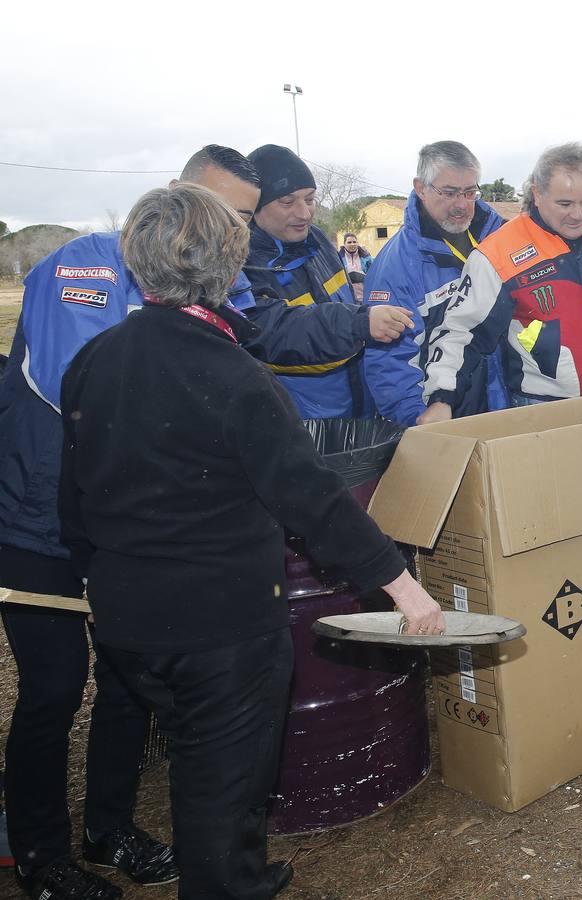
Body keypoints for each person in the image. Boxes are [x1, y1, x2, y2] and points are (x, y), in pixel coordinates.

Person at [58, 183, 445, 899]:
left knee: (198, 759)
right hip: (221, 627)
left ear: (136, 264)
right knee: (222, 784)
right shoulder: (235, 373)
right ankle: (227, 881)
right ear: (230, 263)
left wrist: (97, 580)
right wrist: (403, 584)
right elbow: (313, 499)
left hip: (126, 622)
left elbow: (73, 500)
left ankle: (241, 869)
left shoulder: (94, 360)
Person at [0, 143, 264, 900]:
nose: (228, 229)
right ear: (176, 192)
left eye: (241, 217)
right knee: (53, 686)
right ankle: (41, 859)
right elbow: (84, 385)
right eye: (221, 209)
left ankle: (107, 827)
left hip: (119, 523)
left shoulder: (219, 279)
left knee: (126, 681)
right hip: (36, 513)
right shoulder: (85, 264)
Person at [417, 143, 582, 420]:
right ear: (537, 193)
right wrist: (442, 397)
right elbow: (460, 331)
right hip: (545, 410)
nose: (578, 214)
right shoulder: (498, 253)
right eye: (564, 204)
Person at [238, 144, 413, 419]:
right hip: (299, 422)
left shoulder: (317, 239)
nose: (304, 213)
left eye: (309, 199)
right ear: (255, 207)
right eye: (287, 202)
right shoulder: (240, 262)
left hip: (358, 407)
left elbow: (336, 300)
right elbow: (270, 333)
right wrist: (358, 322)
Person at [363, 141, 509, 425]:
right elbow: (389, 360)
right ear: (421, 188)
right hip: (443, 414)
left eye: (470, 192)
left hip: (506, 403)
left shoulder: (500, 238)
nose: (462, 205)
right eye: (450, 193)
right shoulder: (395, 267)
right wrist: (418, 421)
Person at [339, 233, 371, 300]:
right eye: (349, 242)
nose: (352, 244)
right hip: (348, 297)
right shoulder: (339, 259)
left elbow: (373, 274)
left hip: (365, 295)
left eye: (354, 242)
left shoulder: (367, 258)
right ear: (344, 244)